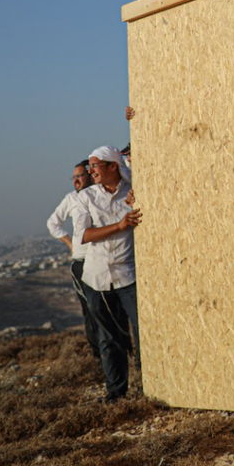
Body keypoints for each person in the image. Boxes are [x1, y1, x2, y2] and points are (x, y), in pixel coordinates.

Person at [76, 145, 143, 401]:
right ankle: (117, 395)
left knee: (143, 334)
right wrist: (119, 224)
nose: (90, 171)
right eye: (90, 166)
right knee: (108, 339)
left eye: (95, 166)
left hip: (129, 275)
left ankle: (152, 388)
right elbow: (84, 235)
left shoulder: (134, 191)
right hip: (97, 278)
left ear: (113, 166)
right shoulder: (87, 198)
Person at [44, 160, 102, 358]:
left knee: (110, 308)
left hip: (103, 259)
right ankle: (98, 354)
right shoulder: (71, 199)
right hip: (82, 262)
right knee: (90, 309)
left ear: (90, 175)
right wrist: (70, 244)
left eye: (80, 176)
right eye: (74, 177)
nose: (76, 181)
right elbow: (53, 223)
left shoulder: (101, 195)